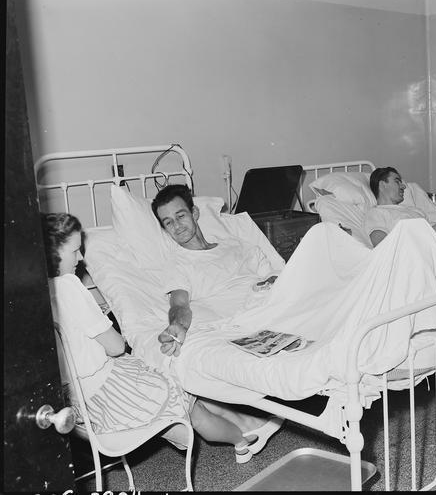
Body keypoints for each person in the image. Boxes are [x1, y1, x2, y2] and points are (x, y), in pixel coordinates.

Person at [42, 212, 277, 464]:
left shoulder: (35, 290)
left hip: (80, 404)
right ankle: (242, 440)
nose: (80, 258)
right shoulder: (68, 286)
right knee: (186, 400)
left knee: (171, 385)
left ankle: (237, 423)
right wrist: (106, 326)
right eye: (74, 251)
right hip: (110, 393)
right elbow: (116, 346)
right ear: (52, 252)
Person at [150, 185, 284, 451]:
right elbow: (180, 304)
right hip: (247, 320)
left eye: (180, 216)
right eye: (168, 222)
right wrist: (177, 325)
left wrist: (273, 284)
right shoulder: (178, 264)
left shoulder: (237, 246)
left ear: (195, 213)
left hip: (272, 304)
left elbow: (274, 276)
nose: (176, 226)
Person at [363, 167, 436, 247]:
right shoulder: (376, 213)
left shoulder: (415, 210)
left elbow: (434, 229)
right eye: (397, 182)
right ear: (382, 185)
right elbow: (383, 247)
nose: (403, 186)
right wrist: (428, 234)